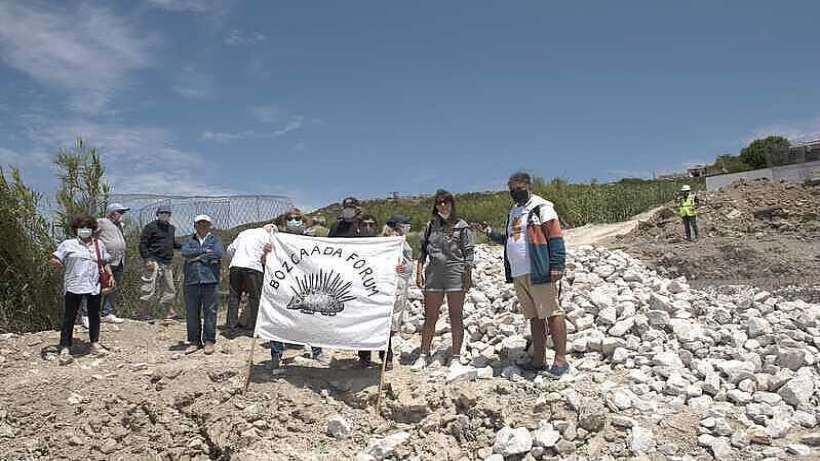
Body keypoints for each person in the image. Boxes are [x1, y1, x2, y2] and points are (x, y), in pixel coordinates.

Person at [479, 172, 569, 378]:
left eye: (518, 189)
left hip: (538, 269)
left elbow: (555, 236)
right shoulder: (514, 211)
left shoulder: (542, 207)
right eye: (511, 190)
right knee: (534, 317)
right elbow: (511, 238)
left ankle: (561, 360)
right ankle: (539, 360)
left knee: (552, 312)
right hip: (519, 273)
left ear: (528, 186)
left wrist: (557, 265)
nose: (515, 193)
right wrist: (490, 232)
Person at [413, 189, 475, 371]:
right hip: (433, 273)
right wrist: (419, 271)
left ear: (452, 204)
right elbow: (423, 250)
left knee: (456, 315)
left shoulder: (462, 226)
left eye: (446, 202)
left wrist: (468, 276)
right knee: (430, 316)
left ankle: (456, 356)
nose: (443, 205)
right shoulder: (430, 226)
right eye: (439, 202)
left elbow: (469, 253)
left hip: (455, 272)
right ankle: (423, 354)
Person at [49, 214, 115, 364]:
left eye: (88, 227)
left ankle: (94, 343)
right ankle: (65, 346)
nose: (85, 230)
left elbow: (103, 262)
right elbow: (56, 258)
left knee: (94, 315)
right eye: (82, 228)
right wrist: (55, 263)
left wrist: (110, 276)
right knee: (70, 316)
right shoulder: (68, 244)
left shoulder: (99, 244)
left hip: (93, 284)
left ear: (93, 229)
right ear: (76, 229)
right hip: (74, 284)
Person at [327, 197, 379, 366]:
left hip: (362, 278)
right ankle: (354, 351)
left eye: (351, 207)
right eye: (345, 207)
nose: (347, 209)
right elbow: (326, 247)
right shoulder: (336, 227)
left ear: (357, 208)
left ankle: (373, 355)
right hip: (341, 278)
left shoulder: (363, 225)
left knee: (365, 315)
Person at [270, 209, 325, 369]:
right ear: (285, 221)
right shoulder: (278, 239)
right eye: (290, 218)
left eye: (297, 218)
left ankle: (317, 351)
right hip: (285, 285)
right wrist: (267, 252)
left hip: (308, 284)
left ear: (303, 220)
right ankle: (276, 354)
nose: (294, 221)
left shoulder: (312, 239)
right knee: (278, 318)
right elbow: (266, 259)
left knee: (312, 318)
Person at [360, 214, 414, 370]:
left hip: (395, 288)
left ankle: (386, 356)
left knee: (387, 324)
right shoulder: (380, 242)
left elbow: (408, 265)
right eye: (404, 225)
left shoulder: (404, 243)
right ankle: (364, 355)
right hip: (377, 288)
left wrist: (404, 268)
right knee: (370, 322)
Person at [181, 215, 225, 355]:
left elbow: (218, 253)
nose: (203, 226)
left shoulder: (215, 240)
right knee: (192, 312)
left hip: (210, 280)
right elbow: (185, 252)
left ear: (210, 225)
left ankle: (209, 341)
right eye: (200, 224)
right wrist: (205, 252)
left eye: (206, 224)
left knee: (210, 311)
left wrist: (196, 258)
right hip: (192, 280)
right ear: (195, 225)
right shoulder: (189, 240)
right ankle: (194, 341)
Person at [225, 223, 273, 333]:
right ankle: (256, 327)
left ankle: (231, 328)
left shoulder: (244, 233)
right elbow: (268, 254)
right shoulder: (268, 236)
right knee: (255, 298)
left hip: (236, 265)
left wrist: (233, 262)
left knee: (234, 296)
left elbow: (230, 249)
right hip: (254, 267)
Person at [138, 204, 181, 319]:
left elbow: (172, 243)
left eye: (167, 213)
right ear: (158, 214)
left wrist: (185, 247)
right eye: (162, 213)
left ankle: (170, 312)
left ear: (170, 215)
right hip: (153, 260)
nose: (164, 215)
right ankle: (143, 312)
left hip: (166, 262)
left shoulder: (171, 228)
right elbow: (143, 244)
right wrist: (147, 259)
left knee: (169, 288)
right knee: (149, 287)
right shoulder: (150, 227)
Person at [93, 203, 129, 324]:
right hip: (105, 261)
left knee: (113, 287)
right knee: (97, 287)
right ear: (113, 213)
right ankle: (90, 313)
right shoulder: (102, 222)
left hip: (119, 261)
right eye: (120, 212)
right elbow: (91, 235)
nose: (122, 215)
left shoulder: (120, 226)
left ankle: (107, 312)